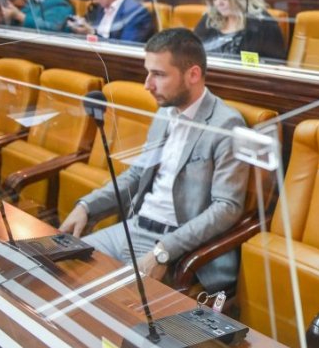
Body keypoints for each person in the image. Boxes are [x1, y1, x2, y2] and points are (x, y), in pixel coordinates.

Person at [58, 28, 247, 291]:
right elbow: (137, 174)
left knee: (109, 301)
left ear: (193, 74)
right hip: (133, 227)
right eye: (148, 73)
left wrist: (164, 251)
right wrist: (87, 206)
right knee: (60, 268)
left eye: (158, 74)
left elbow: (227, 207)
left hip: (176, 245)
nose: (147, 84)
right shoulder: (164, 113)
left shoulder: (226, 124)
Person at [193, 0, 287, 61]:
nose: (218, 3)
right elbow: (192, 51)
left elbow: (275, 64)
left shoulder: (263, 24)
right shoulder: (210, 19)